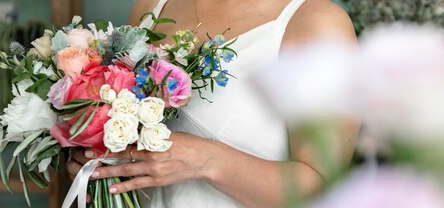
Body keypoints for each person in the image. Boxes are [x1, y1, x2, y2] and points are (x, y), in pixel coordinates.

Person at [67, 0, 360, 207]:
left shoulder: (316, 22)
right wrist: (97, 163)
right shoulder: (151, 6)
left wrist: (207, 159)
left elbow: (323, 187)